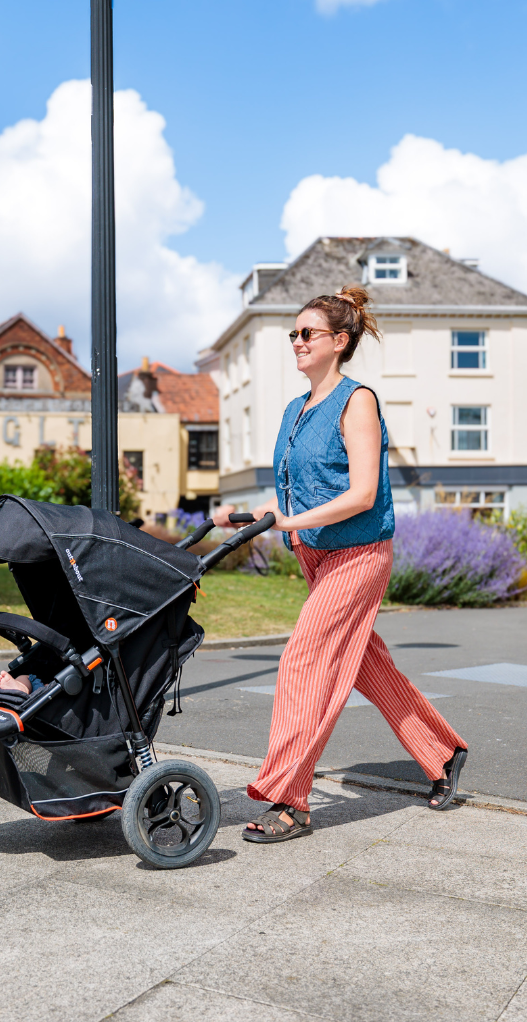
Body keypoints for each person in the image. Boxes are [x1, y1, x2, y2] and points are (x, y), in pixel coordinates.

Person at [212, 286, 469, 844]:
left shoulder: (358, 402)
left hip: (359, 554)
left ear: (340, 341)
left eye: (308, 333)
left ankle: (289, 799)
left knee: (303, 662)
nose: (298, 342)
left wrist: (289, 522)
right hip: (316, 557)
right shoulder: (294, 409)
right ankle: (442, 751)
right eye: (294, 334)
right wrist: (253, 515)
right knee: (367, 666)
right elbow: (296, 492)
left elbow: (361, 493)